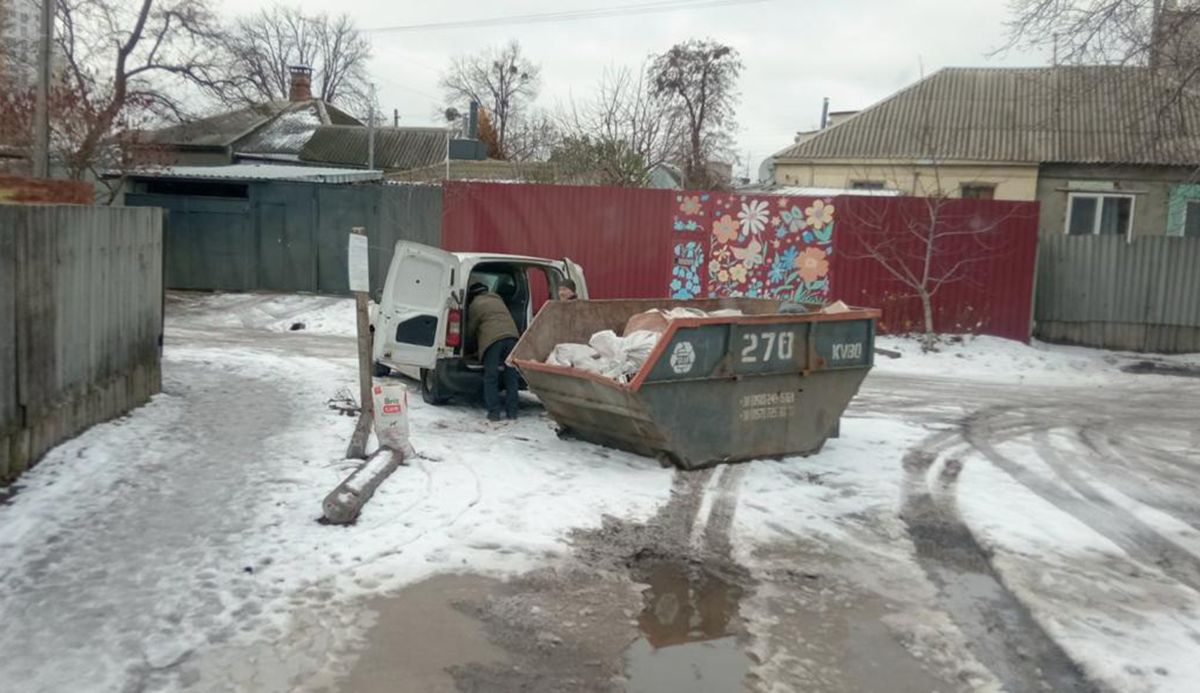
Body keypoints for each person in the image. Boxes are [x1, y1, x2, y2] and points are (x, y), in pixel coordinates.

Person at [465, 283, 520, 421]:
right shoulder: (498, 299)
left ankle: (494, 412)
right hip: (512, 338)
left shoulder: (475, 304)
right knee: (511, 377)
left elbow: (472, 328)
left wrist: (468, 345)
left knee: (491, 377)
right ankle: (512, 412)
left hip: (492, 341)